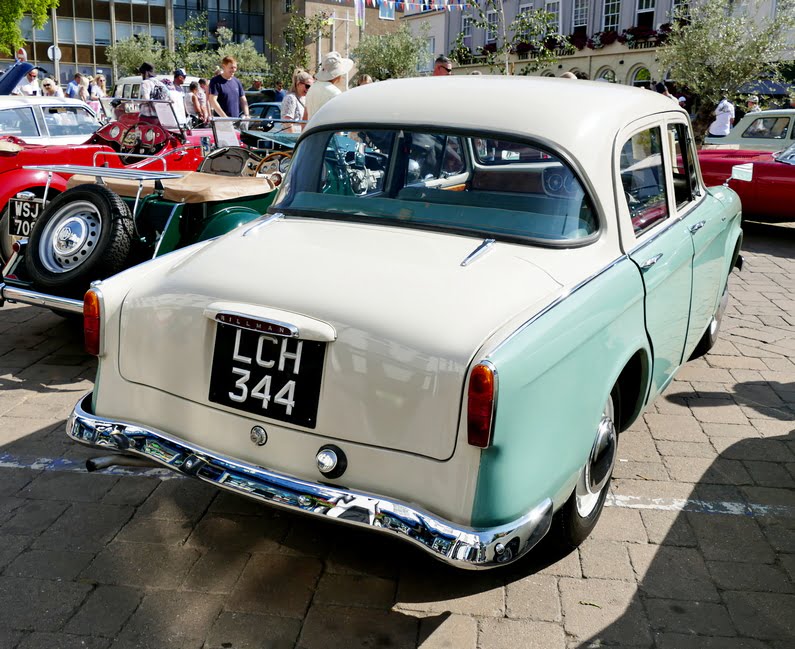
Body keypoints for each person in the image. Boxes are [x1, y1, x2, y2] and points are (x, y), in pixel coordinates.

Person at [303, 51, 353, 121]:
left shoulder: (312, 88)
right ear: (338, 74)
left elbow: (305, 117)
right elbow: (337, 120)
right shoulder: (335, 93)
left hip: (312, 130)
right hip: (328, 131)